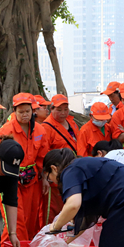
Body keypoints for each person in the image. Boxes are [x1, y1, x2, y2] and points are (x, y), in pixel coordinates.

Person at [0, 93, 49, 241]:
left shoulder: (40, 130)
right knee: (16, 221)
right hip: (10, 180)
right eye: (21, 111)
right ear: (14, 111)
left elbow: (42, 157)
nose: (25, 115)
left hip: (32, 181)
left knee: (31, 219)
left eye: (27, 111)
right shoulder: (6, 130)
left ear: (33, 111)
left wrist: (44, 178)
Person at [40, 94, 79, 227]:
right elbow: (44, 153)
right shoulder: (47, 127)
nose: (63, 113)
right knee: (53, 209)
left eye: (65, 109)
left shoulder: (72, 123)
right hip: (56, 174)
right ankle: (50, 232)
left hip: (71, 172)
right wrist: (46, 176)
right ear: (51, 109)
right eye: (59, 109)